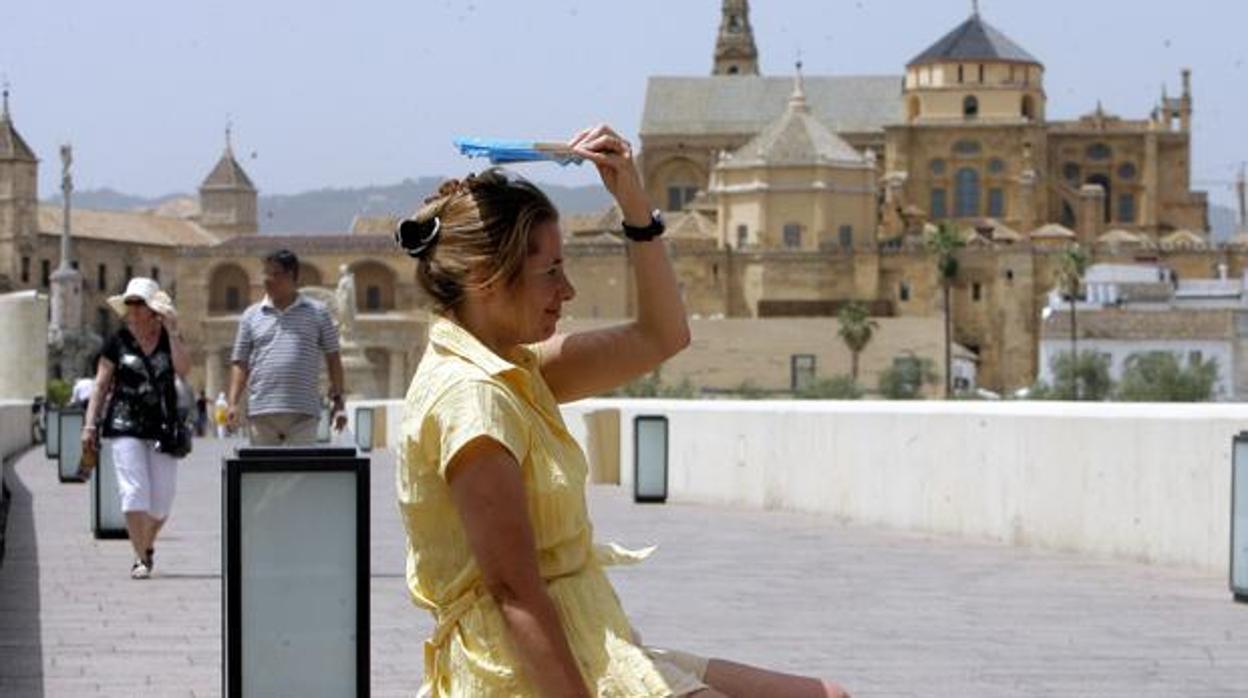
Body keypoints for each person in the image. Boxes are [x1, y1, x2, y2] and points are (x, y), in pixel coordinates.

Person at [396, 125, 849, 698]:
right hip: (523, 671)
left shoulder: (517, 372)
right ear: (489, 280)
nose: (569, 291)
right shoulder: (472, 398)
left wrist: (635, 204)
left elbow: (662, 335)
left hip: (594, 639)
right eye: (552, 272)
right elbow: (515, 593)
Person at [81, 277, 191, 579]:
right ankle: (140, 558)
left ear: (153, 309)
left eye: (139, 303)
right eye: (129, 304)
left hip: (163, 426)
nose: (133, 310)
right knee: (133, 493)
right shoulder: (116, 341)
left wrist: (172, 331)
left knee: (162, 502)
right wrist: (90, 424)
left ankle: (147, 543)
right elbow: (101, 385)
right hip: (123, 421)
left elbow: (183, 370)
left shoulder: (169, 339)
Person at [227, 249, 348, 445]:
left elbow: (333, 358)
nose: (267, 279)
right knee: (264, 473)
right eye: (265, 273)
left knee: (299, 473)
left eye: (274, 274)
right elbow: (240, 362)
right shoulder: (251, 316)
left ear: (292, 276)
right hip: (261, 412)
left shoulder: (318, 313)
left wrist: (339, 402)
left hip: (303, 414)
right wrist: (233, 403)